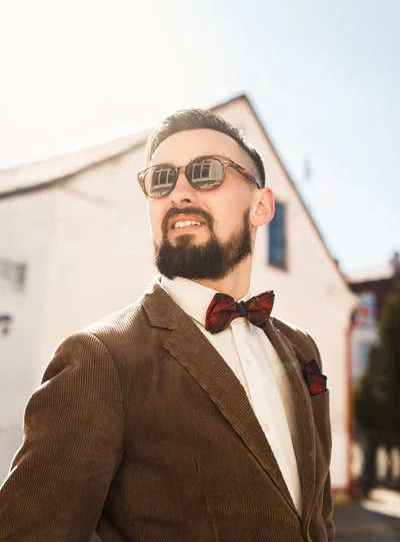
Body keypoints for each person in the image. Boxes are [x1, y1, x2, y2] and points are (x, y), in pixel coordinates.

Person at [0, 109, 334, 541]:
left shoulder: (302, 349)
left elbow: (318, 516)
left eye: (205, 172)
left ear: (262, 205)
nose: (179, 192)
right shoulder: (100, 358)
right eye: (161, 179)